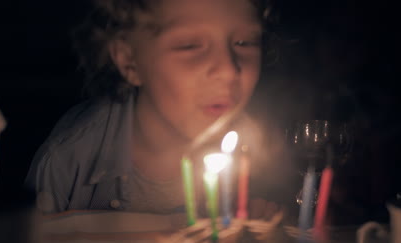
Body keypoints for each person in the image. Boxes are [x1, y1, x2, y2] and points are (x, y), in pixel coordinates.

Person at [25, 0, 280, 220]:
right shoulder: (69, 158)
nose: (229, 69)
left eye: (244, 42)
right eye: (190, 45)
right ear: (129, 61)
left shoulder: (263, 158)